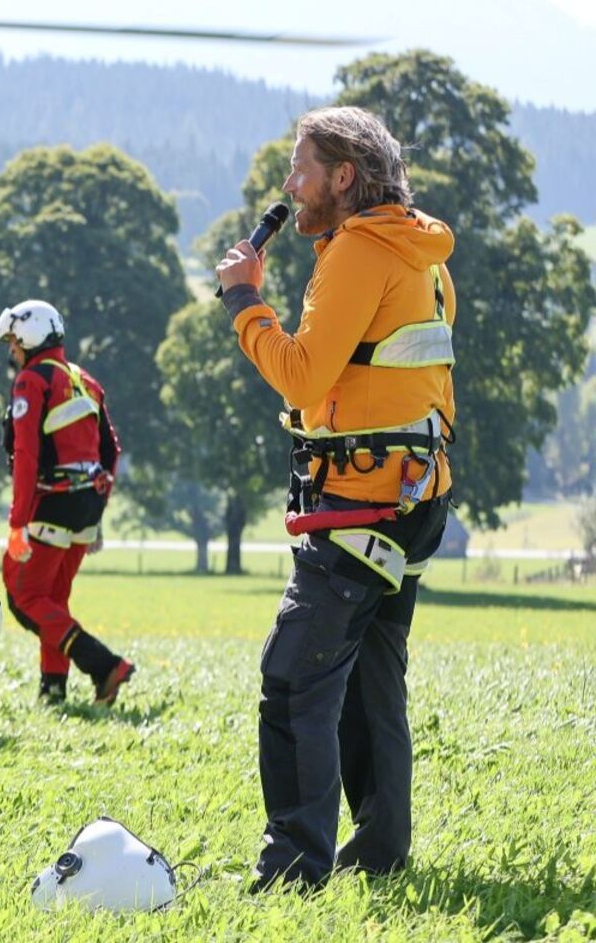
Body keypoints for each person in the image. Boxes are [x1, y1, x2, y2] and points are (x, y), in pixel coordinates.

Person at [213, 105, 455, 893]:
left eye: (301, 168)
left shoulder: (357, 251)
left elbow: (301, 375)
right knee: (371, 680)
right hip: (417, 498)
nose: (289, 185)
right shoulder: (421, 252)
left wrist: (245, 301)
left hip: (359, 502)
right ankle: (380, 849)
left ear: (343, 177)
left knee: (294, 681)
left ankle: (292, 869)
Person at [0, 299, 135, 708]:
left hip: (53, 503)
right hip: (87, 506)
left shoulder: (31, 380)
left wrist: (17, 523)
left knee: (24, 597)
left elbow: (26, 455)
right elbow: (111, 453)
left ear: (31, 334)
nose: (11, 351)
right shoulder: (85, 380)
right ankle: (52, 689)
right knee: (52, 601)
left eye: (14, 341)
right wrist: (98, 514)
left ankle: (104, 666)